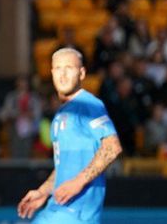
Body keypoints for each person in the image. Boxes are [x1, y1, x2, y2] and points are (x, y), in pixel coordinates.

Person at [17, 48, 123, 223]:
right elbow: (63, 167)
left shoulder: (88, 104)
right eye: (58, 68)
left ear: (81, 73)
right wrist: (43, 191)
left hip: (76, 213)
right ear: (51, 73)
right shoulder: (60, 115)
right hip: (58, 208)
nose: (63, 74)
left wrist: (78, 182)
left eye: (69, 68)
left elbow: (112, 147)